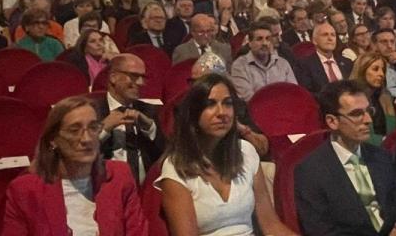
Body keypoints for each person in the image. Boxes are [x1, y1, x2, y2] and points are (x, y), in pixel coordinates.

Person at [155, 73, 294, 236]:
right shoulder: (176, 166)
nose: (222, 113)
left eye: (228, 104)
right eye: (210, 104)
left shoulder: (246, 151)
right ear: (193, 113)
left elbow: (271, 226)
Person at [2, 95, 148, 235]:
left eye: (93, 128)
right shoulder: (25, 190)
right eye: (74, 130)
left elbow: (137, 231)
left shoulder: (119, 176)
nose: (86, 139)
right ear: (53, 140)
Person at [295, 80, 396, 236]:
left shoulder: (382, 157)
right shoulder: (310, 171)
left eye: (368, 111)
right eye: (356, 114)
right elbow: (322, 232)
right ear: (332, 121)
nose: (368, 120)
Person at [92, 54, 162, 185]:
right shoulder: (92, 111)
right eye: (134, 76)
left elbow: (166, 153)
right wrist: (104, 129)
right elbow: (78, 151)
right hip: (105, 185)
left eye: (143, 77)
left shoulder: (149, 111)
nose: (141, 83)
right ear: (113, 77)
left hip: (145, 186)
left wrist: (150, 128)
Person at [229, 21, 297, 100]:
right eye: (259, 39)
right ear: (250, 43)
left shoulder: (283, 64)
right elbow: (248, 99)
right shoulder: (239, 66)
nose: (264, 43)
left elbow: (294, 92)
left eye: (268, 39)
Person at [351, 52, 396, 144]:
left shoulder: (386, 96)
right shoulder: (352, 97)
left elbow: (395, 129)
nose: (381, 74)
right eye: (375, 69)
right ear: (362, 70)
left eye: (383, 70)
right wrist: (385, 141)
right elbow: (357, 134)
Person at [294, 23, 354, 95]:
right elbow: (308, 94)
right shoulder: (304, 65)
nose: (330, 38)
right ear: (314, 40)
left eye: (333, 35)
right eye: (325, 35)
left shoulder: (347, 62)